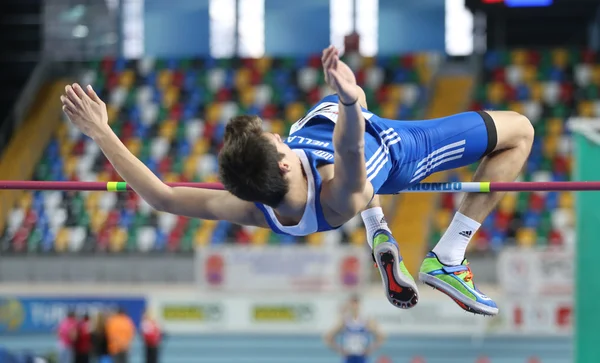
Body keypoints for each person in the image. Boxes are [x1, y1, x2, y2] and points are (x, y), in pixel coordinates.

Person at [60, 45, 533, 316]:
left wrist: (102, 132)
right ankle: (447, 258)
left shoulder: (253, 206)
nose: (275, 136)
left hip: (332, 145)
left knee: (351, 173)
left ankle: (379, 232)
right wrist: (348, 102)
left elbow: (160, 196)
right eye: (276, 141)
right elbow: (350, 148)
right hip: (390, 147)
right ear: (284, 163)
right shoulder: (338, 192)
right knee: (518, 131)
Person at [324, 295, 385, 363]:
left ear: (359, 305)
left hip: (362, 356)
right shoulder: (344, 321)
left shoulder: (366, 320)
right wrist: (340, 350)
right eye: (352, 304)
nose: (354, 306)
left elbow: (381, 336)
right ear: (349, 305)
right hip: (349, 356)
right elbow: (328, 337)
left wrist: (370, 349)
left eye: (356, 304)